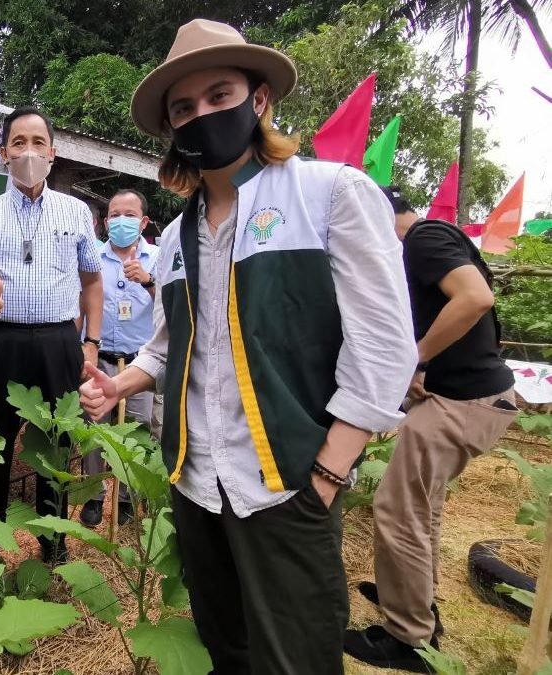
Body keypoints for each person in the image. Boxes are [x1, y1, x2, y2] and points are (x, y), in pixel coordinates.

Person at [78, 19, 416, 673]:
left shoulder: (328, 194)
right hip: (196, 482)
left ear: (258, 99)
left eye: (219, 95)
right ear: (172, 128)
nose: (202, 114)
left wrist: (327, 473)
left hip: (286, 483)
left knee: (296, 658)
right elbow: (168, 347)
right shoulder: (175, 237)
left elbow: (384, 345)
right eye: (184, 107)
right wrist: (119, 384)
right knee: (225, 648)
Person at [344, 187, 519, 672]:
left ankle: (408, 638)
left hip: (462, 402)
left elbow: (476, 298)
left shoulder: (424, 239)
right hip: (470, 397)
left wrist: (414, 360)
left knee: (398, 511)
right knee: (422, 509)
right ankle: (416, 599)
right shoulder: (427, 244)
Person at [0, 106, 104, 570]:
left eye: (38, 142)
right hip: (0, 341)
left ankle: (53, 540)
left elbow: (92, 281)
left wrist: (91, 342)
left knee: (56, 442)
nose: (28, 152)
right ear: (3, 153)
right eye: (18, 143)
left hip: (59, 342)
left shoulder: (76, 212)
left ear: (52, 152)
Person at [79, 189, 159, 529]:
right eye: (115, 215)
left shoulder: (157, 258)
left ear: (143, 222)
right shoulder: (93, 256)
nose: (121, 221)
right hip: (99, 358)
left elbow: (172, 306)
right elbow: (82, 301)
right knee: (94, 428)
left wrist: (148, 280)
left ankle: (126, 498)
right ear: (105, 221)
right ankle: (93, 496)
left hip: (139, 364)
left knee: (137, 431)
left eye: (129, 215)